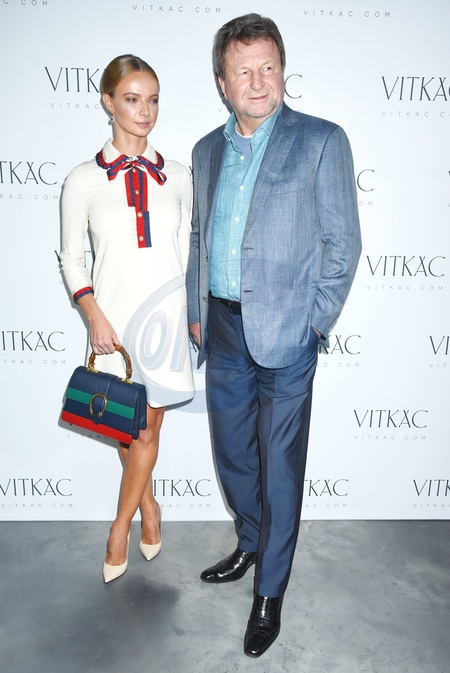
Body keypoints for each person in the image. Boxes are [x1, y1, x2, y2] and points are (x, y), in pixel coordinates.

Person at [186, 13, 361, 657]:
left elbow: (343, 242)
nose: (257, 82)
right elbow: (199, 235)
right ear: (223, 82)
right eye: (243, 71)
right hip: (223, 327)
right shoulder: (205, 151)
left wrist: (317, 320)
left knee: (280, 466)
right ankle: (251, 541)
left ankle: (270, 590)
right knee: (233, 454)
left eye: (268, 67)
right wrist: (197, 308)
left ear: (283, 71)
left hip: (289, 331)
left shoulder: (321, 140)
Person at [60, 54, 194, 583]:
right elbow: (71, 258)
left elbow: (188, 251)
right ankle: (150, 506)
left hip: (166, 316)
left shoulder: (178, 176)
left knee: (147, 428)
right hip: (112, 323)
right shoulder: (83, 180)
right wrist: (92, 314)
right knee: (126, 425)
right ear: (108, 102)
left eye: (153, 100)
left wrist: (193, 316)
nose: (145, 111)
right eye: (133, 99)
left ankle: (119, 529)